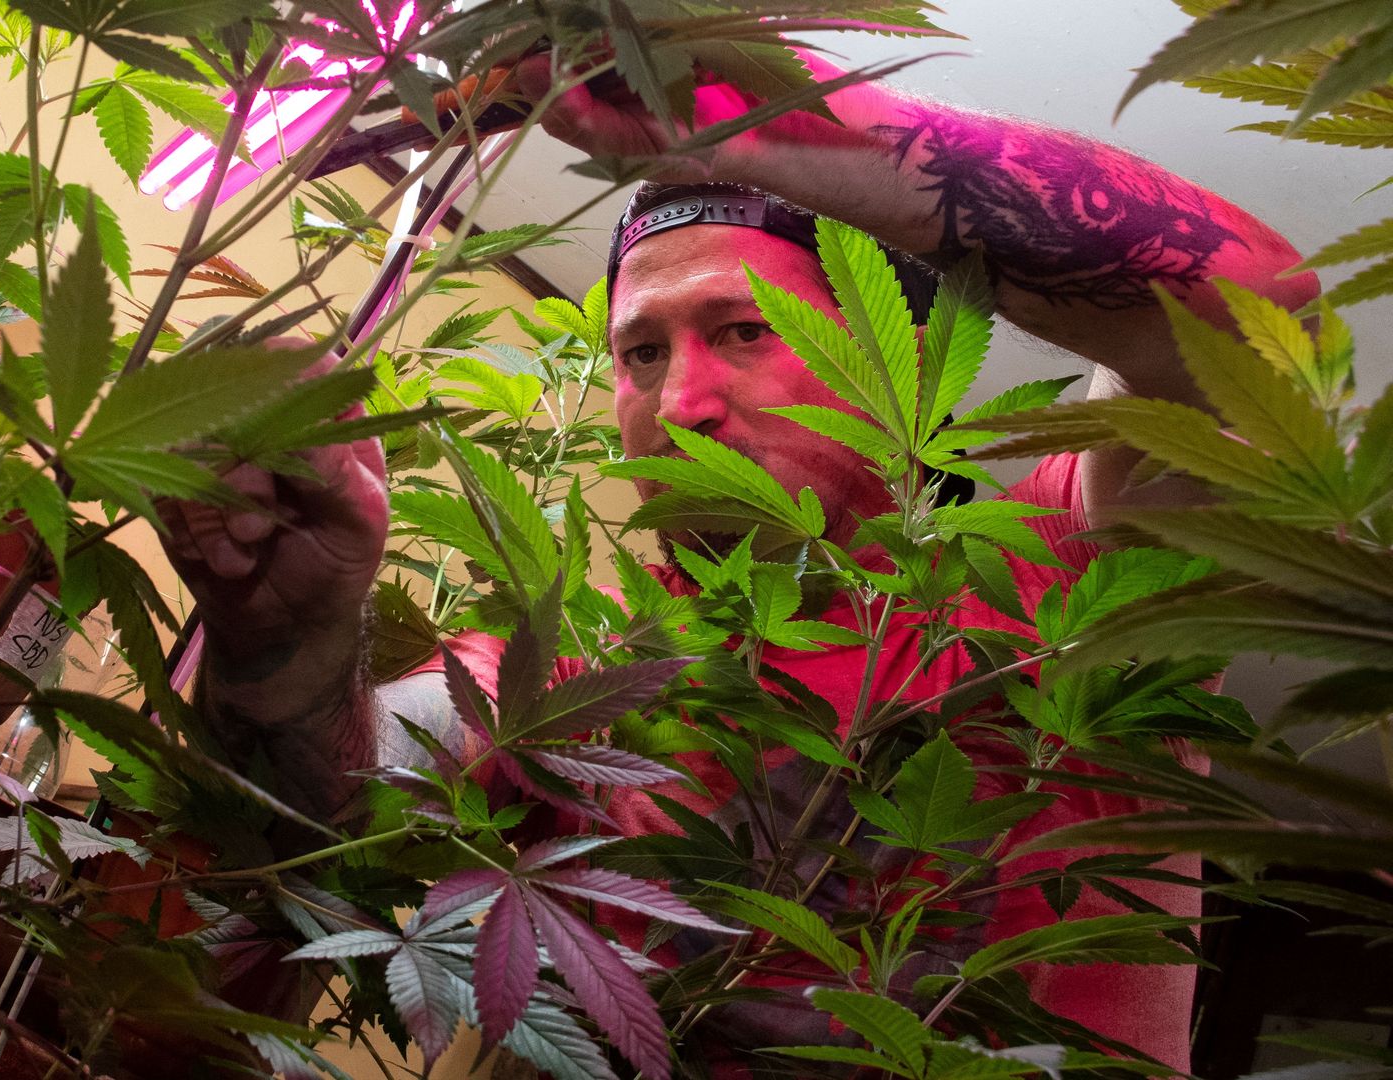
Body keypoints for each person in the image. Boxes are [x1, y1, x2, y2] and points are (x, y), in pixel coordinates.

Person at [156, 46, 1315, 1073]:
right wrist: (292, 650)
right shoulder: (583, 674)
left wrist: (748, 106)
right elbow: (324, 814)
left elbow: (1257, 305)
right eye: (641, 352)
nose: (682, 403)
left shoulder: (1067, 575)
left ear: (896, 355)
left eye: (744, 330)